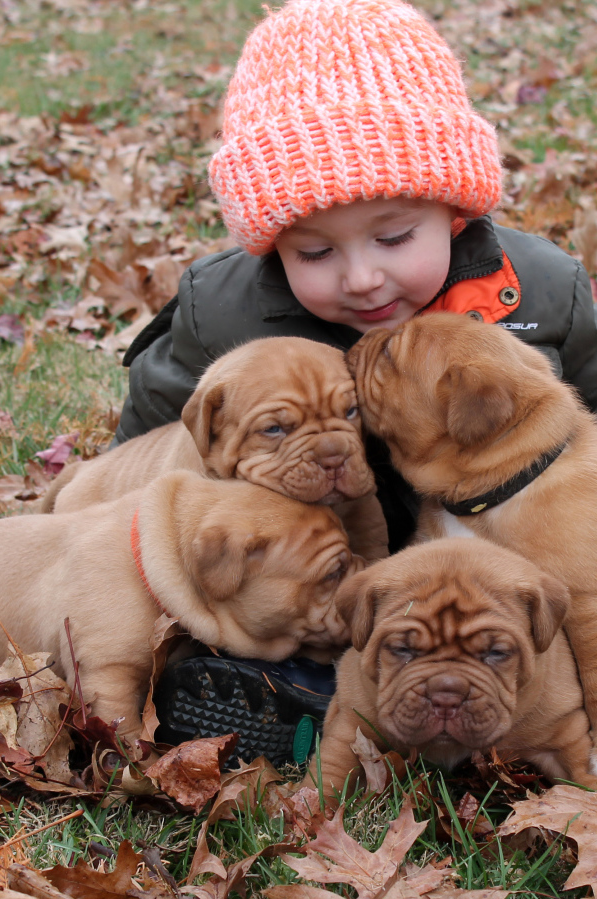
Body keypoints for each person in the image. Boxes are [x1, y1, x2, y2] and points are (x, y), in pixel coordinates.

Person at [116, 0, 597, 765]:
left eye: (396, 236)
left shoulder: (539, 294)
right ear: (273, 247)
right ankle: (272, 687)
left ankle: (512, 698)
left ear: (456, 207)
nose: (363, 278)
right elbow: (144, 452)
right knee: (266, 590)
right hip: (324, 562)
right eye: (314, 253)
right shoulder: (224, 312)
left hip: (486, 581)